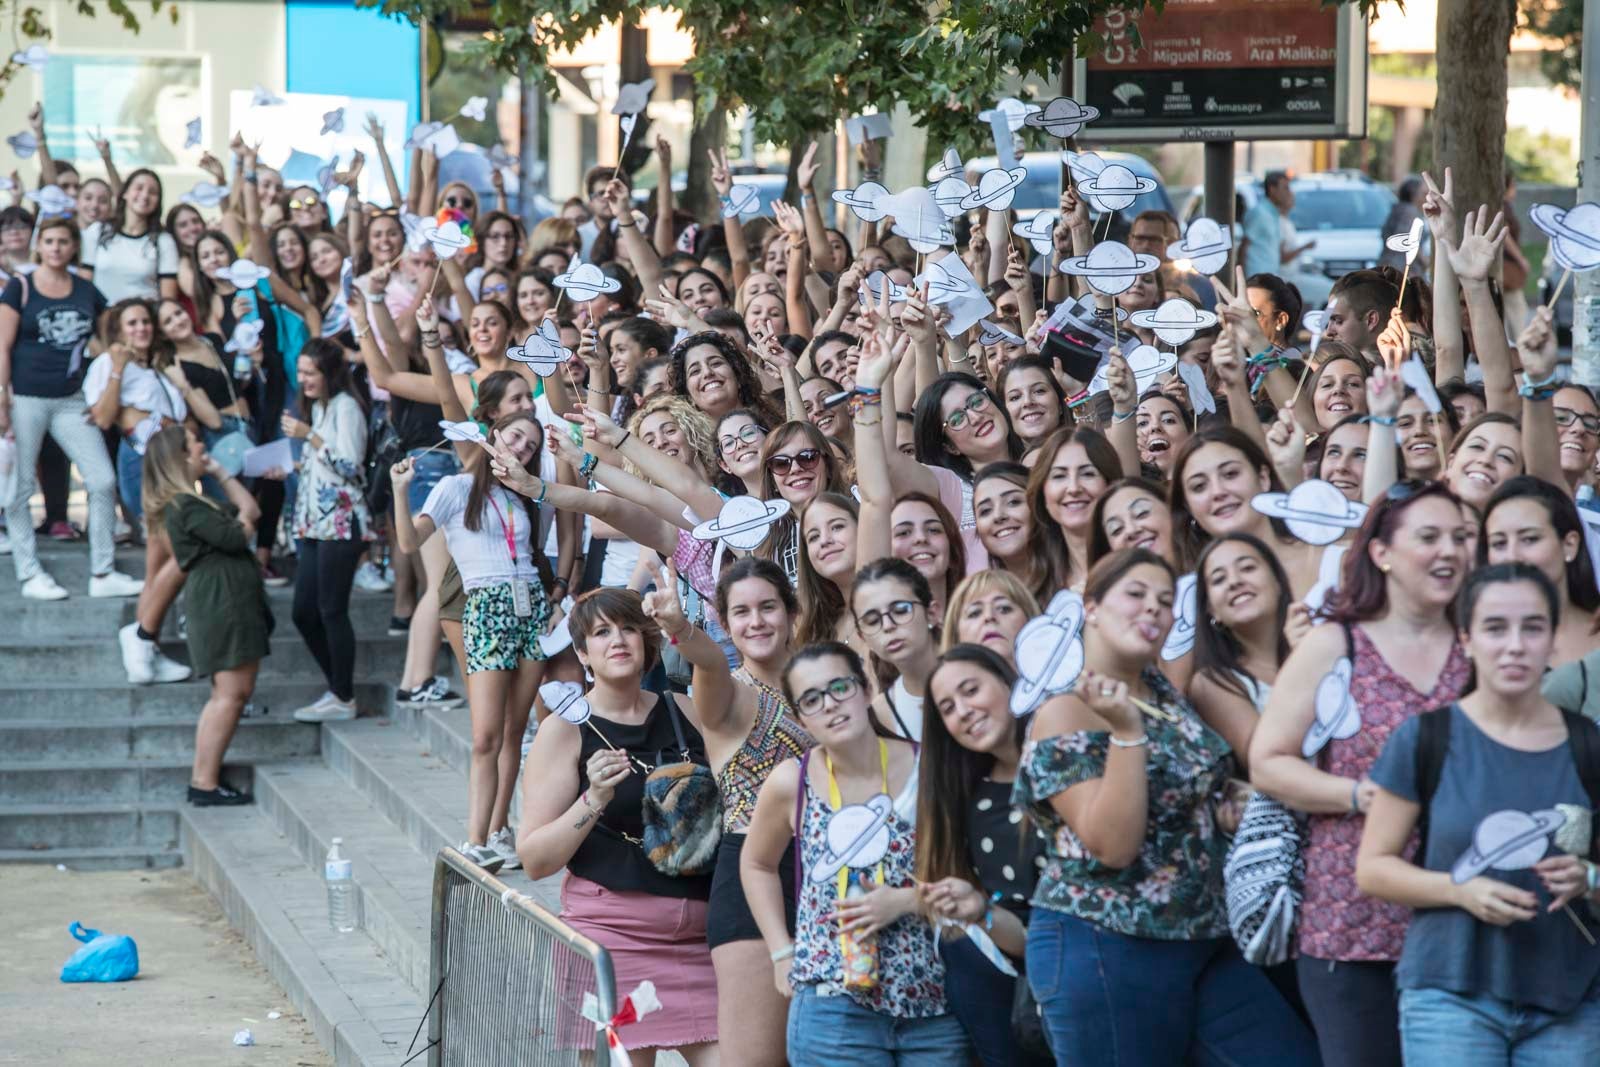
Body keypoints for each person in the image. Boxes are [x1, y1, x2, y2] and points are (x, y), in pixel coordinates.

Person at [1014, 548, 1316, 1062]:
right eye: (1135, 595)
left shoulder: (1164, 694)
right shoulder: (1066, 710)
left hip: (1203, 936)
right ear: (1091, 608)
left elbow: (1189, 791)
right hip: (1106, 946)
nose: (1153, 609)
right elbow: (1113, 845)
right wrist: (1127, 734)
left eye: (1164, 601)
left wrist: (1230, 800)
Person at [1251, 481, 1473, 1067]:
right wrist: (1359, 794)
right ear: (1382, 553)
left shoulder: (1480, 646)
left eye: (1461, 537)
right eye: (1429, 537)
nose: (1449, 551)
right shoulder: (1335, 644)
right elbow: (1269, 762)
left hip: (1462, 923)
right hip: (1349, 930)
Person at [1357, 563, 1600, 1064]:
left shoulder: (1588, 745)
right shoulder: (1427, 738)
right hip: (1450, 993)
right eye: (1495, 628)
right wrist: (1459, 891)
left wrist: (1589, 878)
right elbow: (1373, 868)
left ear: (1553, 639)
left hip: (1569, 1000)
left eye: (1532, 627)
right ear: (1466, 639)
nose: (1514, 645)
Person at [515, 588, 720, 1064]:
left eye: (628, 628)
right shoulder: (564, 730)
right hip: (612, 941)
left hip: (698, 942)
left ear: (648, 641)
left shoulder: (684, 710)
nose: (618, 640)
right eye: (601, 632)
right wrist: (595, 798)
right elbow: (535, 859)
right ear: (583, 654)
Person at [741, 641, 968, 1066]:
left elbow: (970, 870)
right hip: (832, 1005)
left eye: (840, 687)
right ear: (798, 715)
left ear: (865, 691)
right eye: (811, 699)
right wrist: (780, 951)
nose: (830, 704)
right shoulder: (792, 781)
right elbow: (756, 863)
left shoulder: (930, 768)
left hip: (931, 1001)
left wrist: (907, 900)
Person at [644, 556, 812, 1067]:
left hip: (831, 869)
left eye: (768, 607)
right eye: (741, 612)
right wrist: (679, 628)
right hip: (755, 874)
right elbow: (710, 662)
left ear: (791, 613)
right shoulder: (728, 691)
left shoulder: (822, 680)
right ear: (723, 621)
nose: (756, 621)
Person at [394, 413, 554, 870]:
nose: (522, 447)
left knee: (514, 731)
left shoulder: (525, 493)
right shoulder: (455, 486)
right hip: (485, 607)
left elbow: (532, 553)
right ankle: (474, 840)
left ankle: (499, 832)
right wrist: (400, 490)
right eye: (516, 436)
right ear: (493, 437)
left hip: (530, 608)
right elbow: (410, 542)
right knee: (485, 735)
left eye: (531, 445)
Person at [918, 644, 1052, 1067]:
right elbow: (1028, 943)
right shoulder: (979, 809)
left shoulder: (1068, 746)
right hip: (1062, 981)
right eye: (948, 708)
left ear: (1006, 679)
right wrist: (981, 912)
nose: (964, 710)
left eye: (971, 690)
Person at [0, 217, 139, 600]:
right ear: (39, 246)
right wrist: (1, 397)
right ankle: (29, 574)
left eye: (64, 241)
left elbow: (107, 336)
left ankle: (103, 571)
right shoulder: (21, 287)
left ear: (74, 246)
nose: (57, 248)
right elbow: (2, 344)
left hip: (71, 400)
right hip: (25, 397)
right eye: (49, 241)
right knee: (20, 487)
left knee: (101, 480)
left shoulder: (86, 289)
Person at [141, 425, 271, 806]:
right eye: (195, 443)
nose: (202, 446)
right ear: (179, 456)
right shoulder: (185, 506)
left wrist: (219, 471)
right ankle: (205, 782)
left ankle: (206, 779)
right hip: (221, 604)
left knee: (230, 694)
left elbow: (251, 512)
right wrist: (242, 524)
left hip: (225, 601)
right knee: (230, 696)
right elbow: (239, 532)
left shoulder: (190, 502)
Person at [282, 339, 371, 723]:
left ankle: (343, 694)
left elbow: (351, 466)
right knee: (304, 611)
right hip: (315, 524)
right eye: (300, 373)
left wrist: (311, 437)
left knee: (331, 609)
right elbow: (321, 467)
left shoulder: (347, 407)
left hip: (342, 522)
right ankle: (337, 687)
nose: (303, 380)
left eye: (310, 373)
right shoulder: (319, 408)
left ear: (329, 373)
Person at [80, 169, 179, 303]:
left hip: (143, 321)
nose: (145, 195)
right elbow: (84, 285)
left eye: (153, 192)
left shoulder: (164, 241)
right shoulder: (98, 231)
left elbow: (168, 300)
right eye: (139, 188)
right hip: (102, 318)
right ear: (125, 193)